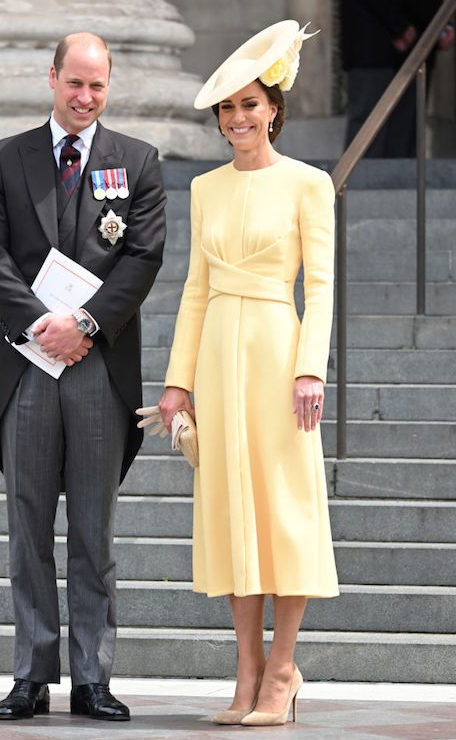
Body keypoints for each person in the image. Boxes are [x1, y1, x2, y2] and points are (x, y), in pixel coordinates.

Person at [0, 32, 166, 722]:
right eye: (75, 83)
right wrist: (39, 325)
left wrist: (82, 325)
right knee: (26, 527)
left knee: (93, 531)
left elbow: (142, 259)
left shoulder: (138, 161)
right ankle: (30, 674)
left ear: (109, 88)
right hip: (28, 365)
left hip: (97, 369)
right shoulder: (6, 159)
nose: (85, 98)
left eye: (98, 86)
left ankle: (92, 676)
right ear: (51, 78)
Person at [157, 20, 339, 727]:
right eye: (227, 107)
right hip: (218, 360)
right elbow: (195, 289)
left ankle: (284, 668)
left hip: (277, 354)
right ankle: (247, 671)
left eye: (250, 104)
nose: (238, 118)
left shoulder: (308, 184)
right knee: (232, 514)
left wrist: (310, 370)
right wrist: (177, 384)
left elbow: (319, 287)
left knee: (283, 511)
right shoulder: (205, 189)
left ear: (275, 109)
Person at [341, 0, 454, 157]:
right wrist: (399, 26)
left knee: (403, 140)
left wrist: (442, 23)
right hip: (374, 45)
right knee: (369, 140)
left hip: (417, 46)